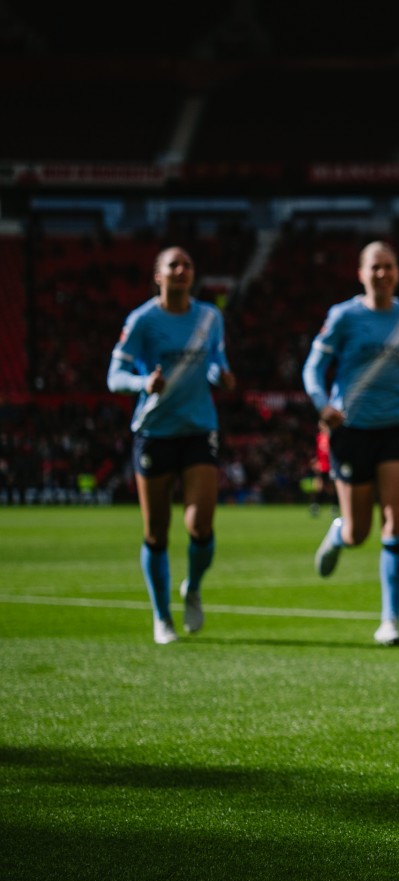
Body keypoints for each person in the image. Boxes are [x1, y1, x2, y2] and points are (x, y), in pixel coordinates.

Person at [305, 242, 399, 647]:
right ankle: (339, 534)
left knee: (396, 520)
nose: (382, 274)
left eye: (388, 267)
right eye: (375, 267)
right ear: (361, 273)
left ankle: (390, 621)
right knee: (358, 532)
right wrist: (322, 405)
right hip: (352, 428)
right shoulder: (343, 316)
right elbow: (313, 367)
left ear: (397, 272)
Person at [107, 247, 235, 644]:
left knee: (200, 524)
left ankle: (192, 587)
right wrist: (142, 383)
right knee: (156, 531)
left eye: (187, 265)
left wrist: (221, 377)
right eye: (173, 265)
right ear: (158, 276)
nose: (181, 270)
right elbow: (114, 376)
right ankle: (162, 617)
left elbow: (216, 362)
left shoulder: (210, 317)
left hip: (199, 429)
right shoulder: (142, 320)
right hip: (155, 432)